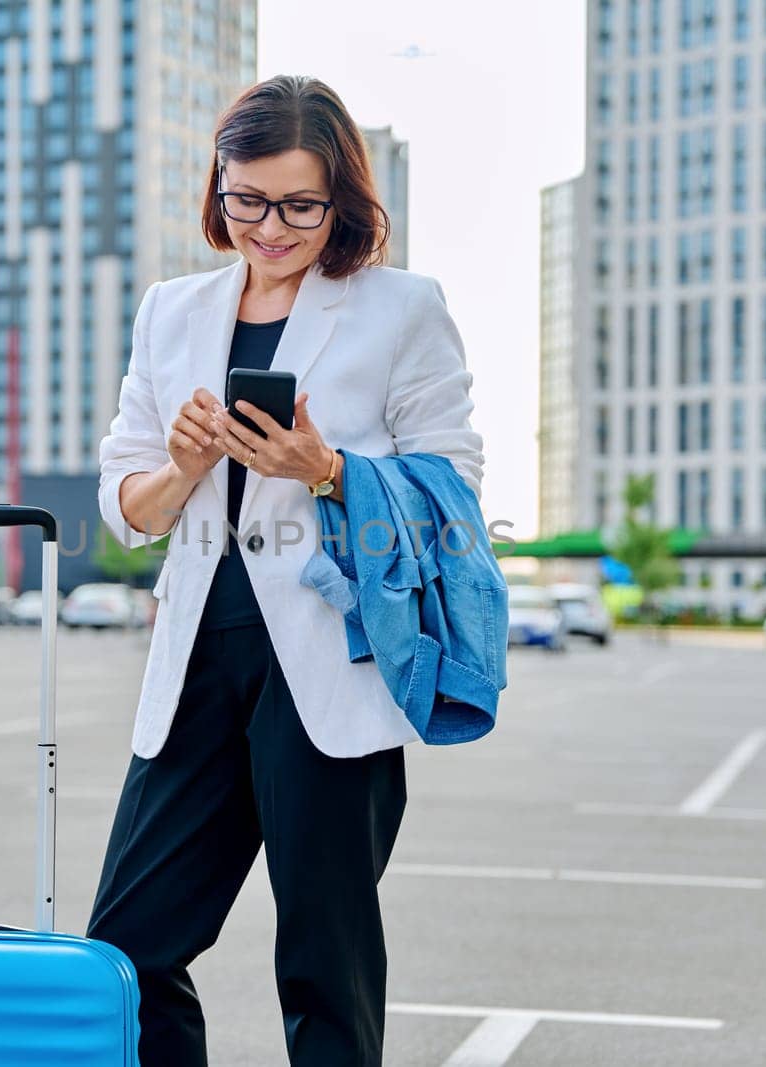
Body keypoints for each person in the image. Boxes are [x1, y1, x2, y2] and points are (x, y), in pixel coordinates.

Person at [88, 74, 485, 1067]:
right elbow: (128, 506)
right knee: (124, 950)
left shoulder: (400, 307)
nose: (270, 226)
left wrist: (331, 469)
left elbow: (457, 480)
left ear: (342, 197)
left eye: (299, 205)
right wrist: (183, 461)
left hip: (328, 658)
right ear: (218, 189)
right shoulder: (169, 311)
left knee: (324, 960)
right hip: (196, 662)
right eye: (246, 200)